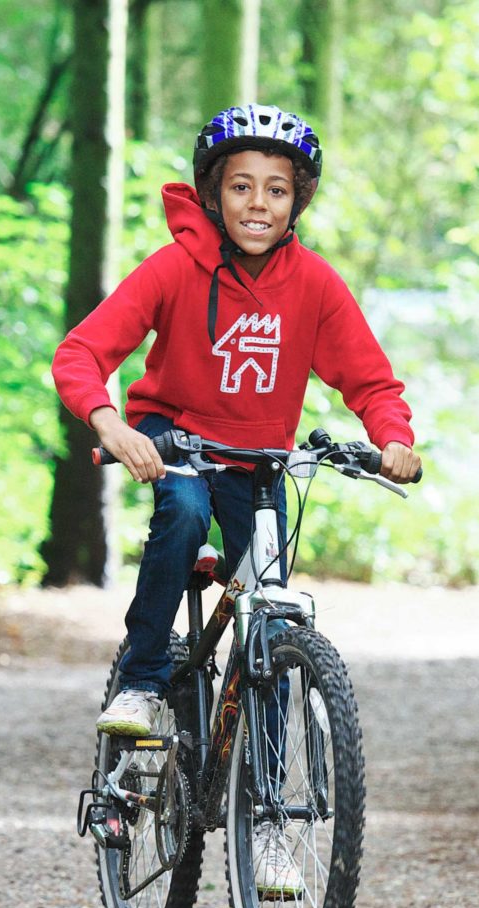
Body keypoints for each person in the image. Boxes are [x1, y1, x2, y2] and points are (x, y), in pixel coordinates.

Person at [51, 103, 421, 740]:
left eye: (276, 190)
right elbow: (81, 352)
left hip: (260, 461)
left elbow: (370, 380)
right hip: (178, 441)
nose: (258, 204)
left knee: (272, 615)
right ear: (214, 195)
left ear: (296, 203)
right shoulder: (174, 267)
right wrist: (112, 424)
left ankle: (269, 793)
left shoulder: (315, 285)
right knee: (186, 514)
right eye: (240, 187)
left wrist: (393, 439)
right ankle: (141, 683)